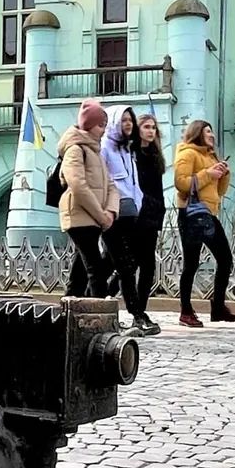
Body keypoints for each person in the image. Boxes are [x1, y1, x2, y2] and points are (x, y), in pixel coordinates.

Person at [173, 119, 235, 328]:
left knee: (225, 259)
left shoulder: (211, 156)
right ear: (198, 133)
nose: (212, 135)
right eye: (207, 131)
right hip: (191, 215)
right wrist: (207, 174)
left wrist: (223, 174)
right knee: (191, 264)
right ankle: (185, 311)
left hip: (209, 214)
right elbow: (181, 183)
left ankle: (218, 306)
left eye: (211, 131)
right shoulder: (187, 153)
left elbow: (219, 191)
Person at [57, 100, 119, 301]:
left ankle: (69, 308)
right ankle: (99, 311)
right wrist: (101, 216)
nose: (103, 130)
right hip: (79, 217)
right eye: (100, 125)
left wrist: (111, 212)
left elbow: (111, 185)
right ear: (89, 125)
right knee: (95, 268)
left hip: (94, 219)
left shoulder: (96, 152)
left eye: (105, 125)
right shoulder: (75, 150)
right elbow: (78, 186)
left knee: (81, 272)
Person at [100, 106, 145, 331]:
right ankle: (136, 314)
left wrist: (139, 202)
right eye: (124, 120)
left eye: (131, 120)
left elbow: (132, 183)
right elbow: (102, 181)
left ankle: (92, 297)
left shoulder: (127, 150)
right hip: (113, 213)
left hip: (130, 212)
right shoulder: (105, 147)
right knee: (124, 265)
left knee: (109, 263)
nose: (128, 124)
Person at [131, 113, 166, 336]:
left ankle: (140, 312)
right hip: (135, 216)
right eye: (146, 127)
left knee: (147, 266)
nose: (151, 131)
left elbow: (158, 189)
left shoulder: (154, 156)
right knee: (127, 265)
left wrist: (159, 213)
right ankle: (97, 295)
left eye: (153, 127)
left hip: (152, 217)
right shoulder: (132, 154)